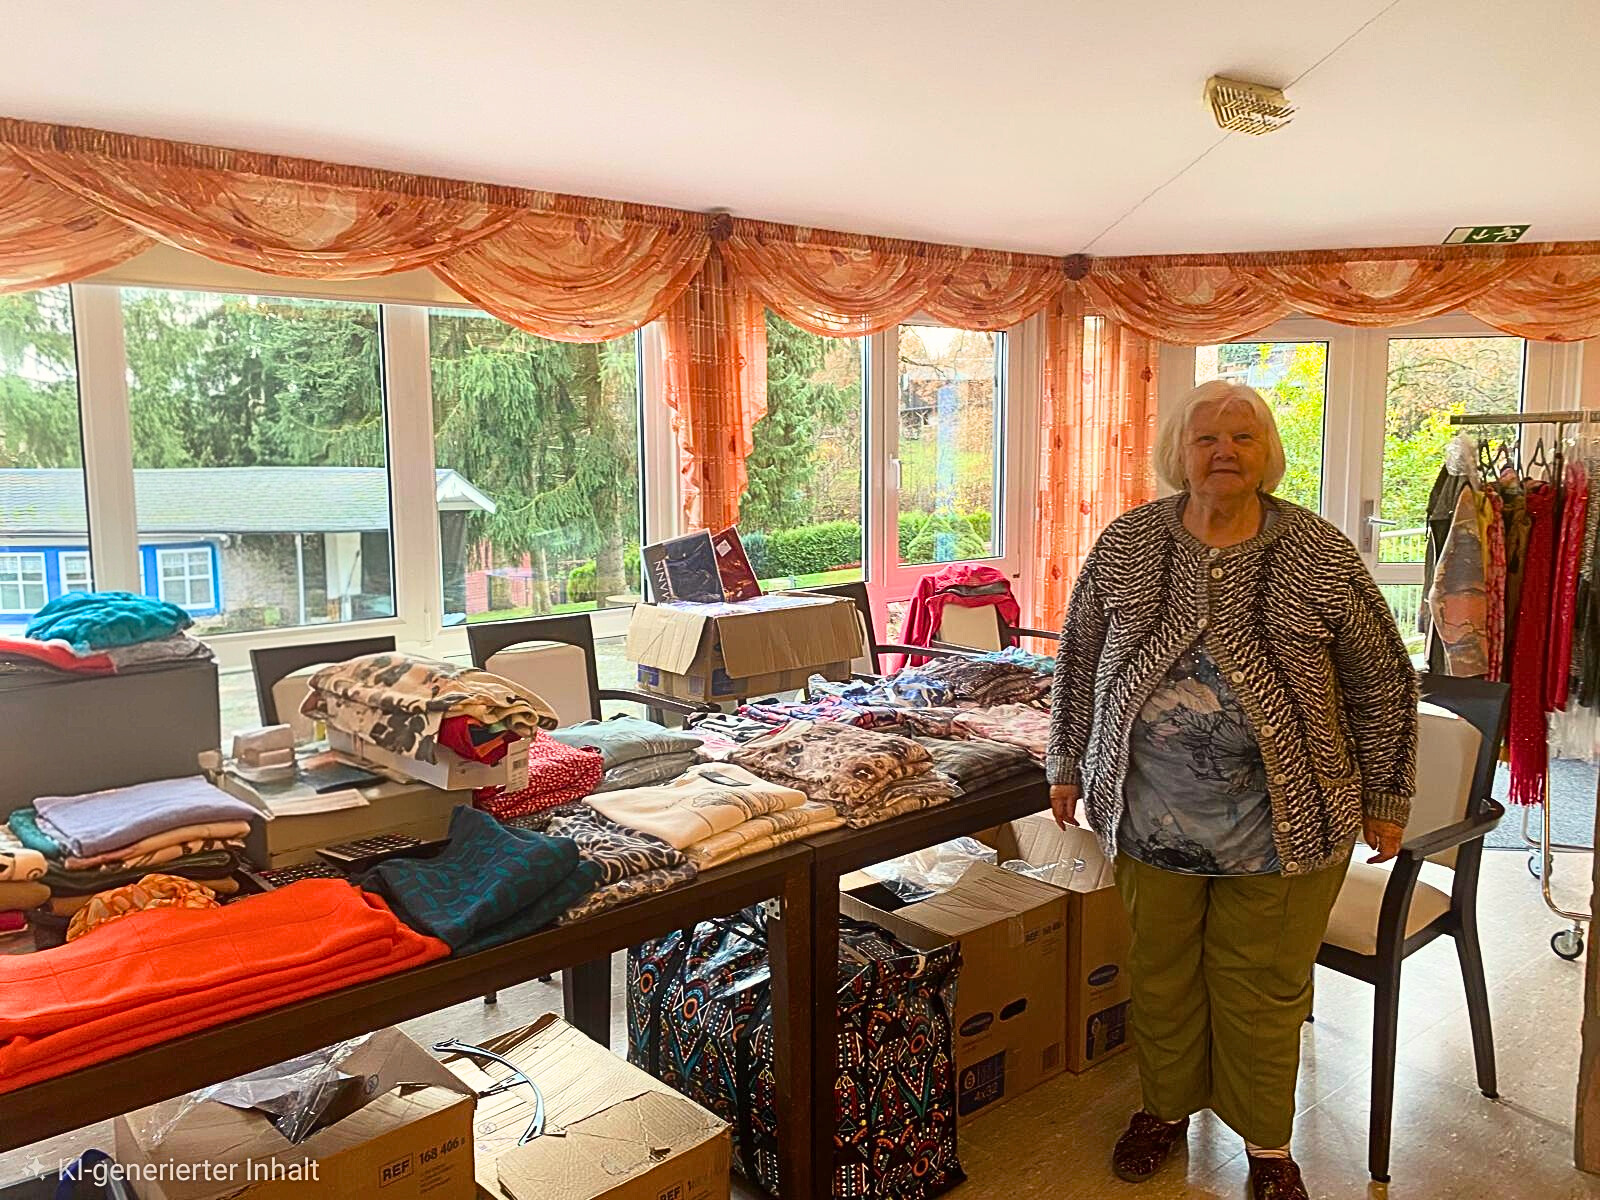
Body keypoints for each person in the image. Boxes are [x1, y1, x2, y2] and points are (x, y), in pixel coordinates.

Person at [1046, 380, 1418, 1200]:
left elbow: (1382, 681)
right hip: (1147, 817)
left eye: (1243, 437)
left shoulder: (1318, 552)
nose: (1225, 452)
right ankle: (1163, 1109)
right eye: (1207, 437)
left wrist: (1387, 798)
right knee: (1162, 975)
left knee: (1263, 990)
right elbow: (1079, 658)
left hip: (1289, 825)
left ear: (1267, 454)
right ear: (1178, 452)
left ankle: (1268, 1146)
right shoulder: (1129, 543)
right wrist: (1066, 761)